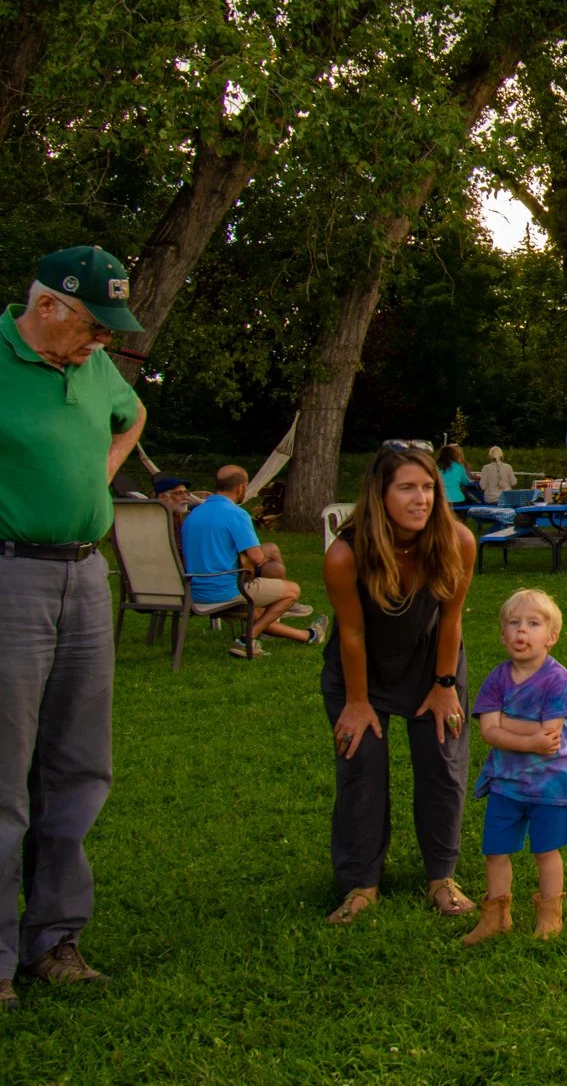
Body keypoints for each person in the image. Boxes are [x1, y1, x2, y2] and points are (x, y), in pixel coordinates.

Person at [0, 246, 148, 1005]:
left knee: (79, 767)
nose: (103, 343)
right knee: (4, 774)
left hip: (88, 574)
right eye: (94, 325)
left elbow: (134, 411)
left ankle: (55, 938)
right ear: (47, 307)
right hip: (11, 575)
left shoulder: (93, 367)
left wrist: (103, 466)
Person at [321, 443, 479, 926]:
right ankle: (360, 883)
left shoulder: (457, 541)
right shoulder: (346, 554)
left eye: (429, 487)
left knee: (442, 758)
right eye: (407, 487)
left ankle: (441, 876)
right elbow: (351, 632)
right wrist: (356, 701)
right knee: (361, 762)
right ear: (380, 494)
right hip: (361, 668)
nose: (422, 498)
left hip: (434, 663)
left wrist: (445, 684)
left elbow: (452, 618)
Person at [462, 588, 567, 945]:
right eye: (513, 624)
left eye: (533, 624)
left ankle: (550, 914)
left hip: (550, 786)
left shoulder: (558, 680)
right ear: (503, 635)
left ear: (551, 637)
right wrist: (527, 736)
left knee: (546, 851)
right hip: (505, 784)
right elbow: (488, 732)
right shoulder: (497, 679)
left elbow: (550, 736)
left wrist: (505, 726)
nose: (521, 632)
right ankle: (496, 916)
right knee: (496, 851)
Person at [182, 464, 329, 656]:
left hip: (195, 590)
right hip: (226, 589)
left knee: (260, 614)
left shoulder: (193, 515)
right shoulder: (236, 514)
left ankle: (309, 635)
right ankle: (246, 640)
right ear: (241, 488)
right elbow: (257, 557)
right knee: (292, 590)